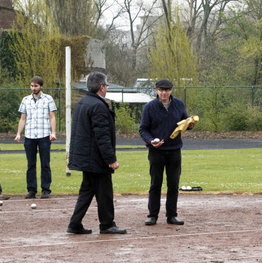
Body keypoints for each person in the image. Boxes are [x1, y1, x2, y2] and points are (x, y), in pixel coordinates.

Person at [66, 72, 126, 235]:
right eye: (106, 85)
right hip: (95, 158)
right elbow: (102, 136)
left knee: (87, 191)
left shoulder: (82, 103)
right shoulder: (98, 106)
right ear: (101, 87)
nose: (106, 88)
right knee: (104, 192)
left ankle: (75, 223)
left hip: (85, 156)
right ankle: (107, 224)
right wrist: (110, 159)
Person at [139, 79, 196, 226]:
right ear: (157, 91)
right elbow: (143, 129)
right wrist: (151, 140)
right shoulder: (149, 107)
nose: (164, 93)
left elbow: (184, 123)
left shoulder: (179, 104)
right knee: (155, 183)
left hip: (174, 150)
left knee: (173, 184)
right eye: (161, 90)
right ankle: (152, 215)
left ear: (171, 90)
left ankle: (172, 215)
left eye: (167, 90)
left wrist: (190, 125)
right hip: (156, 151)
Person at [15, 76, 57, 199]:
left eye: (36, 86)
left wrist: (53, 132)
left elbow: (52, 117)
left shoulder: (48, 99)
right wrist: (19, 133)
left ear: (41, 86)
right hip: (29, 136)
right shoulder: (26, 100)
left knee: (45, 164)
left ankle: (46, 190)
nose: (33, 88)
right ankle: (31, 190)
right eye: (32, 86)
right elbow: (23, 118)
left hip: (44, 135)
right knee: (31, 164)